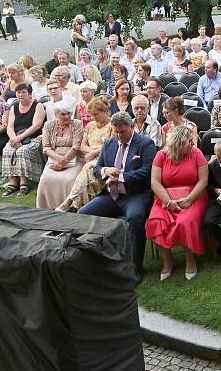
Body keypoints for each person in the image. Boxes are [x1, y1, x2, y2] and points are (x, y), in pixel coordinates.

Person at [80, 112, 158, 284]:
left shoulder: (145, 143)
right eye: (116, 132)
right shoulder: (109, 143)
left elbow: (147, 171)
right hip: (111, 195)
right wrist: (105, 171)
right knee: (83, 214)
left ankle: (136, 266)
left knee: (135, 218)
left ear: (131, 127)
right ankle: (98, 261)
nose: (119, 136)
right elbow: (96, 168)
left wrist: (121, 176)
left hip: (135, 195)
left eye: (122, 132)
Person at [146, 125, 209, 281]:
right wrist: (168, 202)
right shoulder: (161, 156)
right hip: (166, 196)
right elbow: (155, 182)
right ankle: (168, 260)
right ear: (179, 143)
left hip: (193, 195)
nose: (192, 144)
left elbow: (203, 180)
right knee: (155, 222)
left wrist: (189, 199)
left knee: (185, 221)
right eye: (189, 142)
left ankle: (190, 259)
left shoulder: (196, 153)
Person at [56, 98, 113, 211]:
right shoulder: (90, 125)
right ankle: (80, 207)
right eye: (91, 114)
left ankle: (69, 201)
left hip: (106, 158)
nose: (93, 117)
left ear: (105, 111)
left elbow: (112, 146)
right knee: (88, 169)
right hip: (90, 157)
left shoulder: (112, 125)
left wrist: (94, 152)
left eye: (96, 114)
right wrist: (92, 151)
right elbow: (81, 146)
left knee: (88, 168)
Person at [36, 101, 85, 209]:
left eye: (68, 113)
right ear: (56, 115)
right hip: (54, 157)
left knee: (69, 179)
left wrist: (63, 161)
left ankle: (69, 207)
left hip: (74, 158)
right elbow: (46, 148)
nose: (67, 116)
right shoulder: (48, 125)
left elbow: (76, 147)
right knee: (45, 179)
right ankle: (47, 207)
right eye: (63, 114)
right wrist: (59, 160)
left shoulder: (77, 124)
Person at [0, 83, 46, 196]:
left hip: (33, 137)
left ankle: (24, 182)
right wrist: (14, 139)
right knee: (7, 150)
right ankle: (13, 182)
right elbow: (10, 126)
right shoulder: (14, 107)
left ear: (30, 94)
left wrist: (20, 138)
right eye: (18, 92)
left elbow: (36, 125)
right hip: (16, 137)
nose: (20, 95)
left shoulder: (37, 106)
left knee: (22, 150)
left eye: (23, 92)